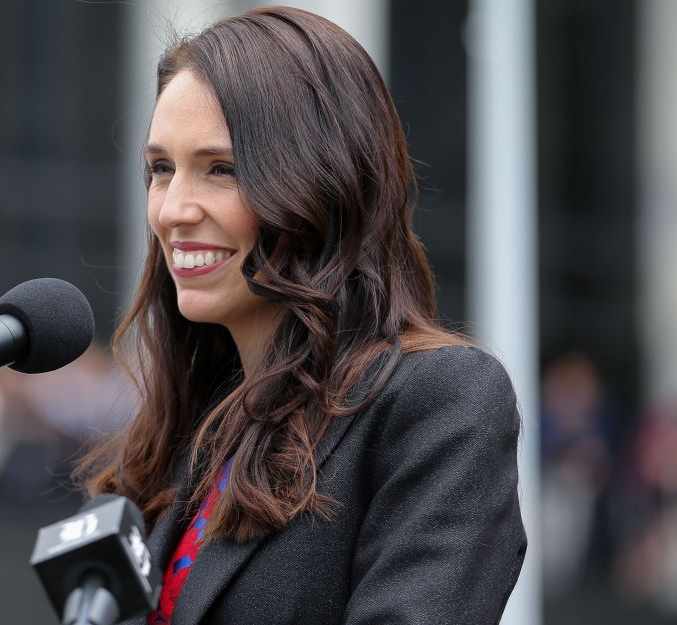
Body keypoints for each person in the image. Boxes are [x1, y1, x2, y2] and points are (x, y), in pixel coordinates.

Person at [75, 7, 526, 625]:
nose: (174, 208)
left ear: (321, 183)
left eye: (222, 169)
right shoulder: (191, 430)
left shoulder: (439, 402)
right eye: (161, 169)